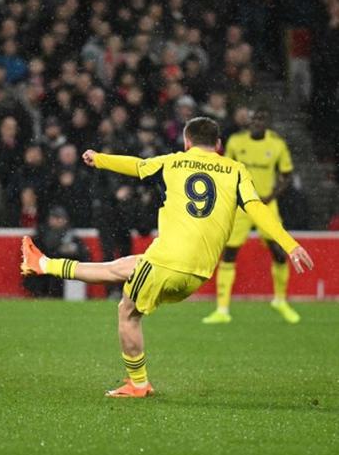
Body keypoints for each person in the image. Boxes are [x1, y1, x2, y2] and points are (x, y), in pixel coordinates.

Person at [20, 117, 314, 398]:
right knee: (125, 266)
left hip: (168, 260)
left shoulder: (172, 161)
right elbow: (258, 208)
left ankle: (138, 384)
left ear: (187, 142)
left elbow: (137, 167)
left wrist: (100, 159)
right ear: (219, 144)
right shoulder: (236, 170)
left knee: (127, 311)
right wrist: (289, 244)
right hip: (198, 271)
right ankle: (44, 264)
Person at [204, 109, 299, 324]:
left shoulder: (277, 145)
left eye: (261, 119)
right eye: (254, 118)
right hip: (241, 206)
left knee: (279, 251)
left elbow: (287, 174)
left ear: (267, 123)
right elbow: (226, 170)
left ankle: (280, 300)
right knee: (229, 253)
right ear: (249, 121)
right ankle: (222, 310)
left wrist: (271, 195)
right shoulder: (237, 142)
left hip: (267, 205)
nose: (257, 122)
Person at [23, 206, 89, 298]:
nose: (57, 221)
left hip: (65, 272)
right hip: (45, 273)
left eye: (59, 218)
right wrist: (59, 252)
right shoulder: (41, 234)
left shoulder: (71, 235)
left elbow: (84, 254)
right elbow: (39, 254)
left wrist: (73, 251)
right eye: (55, 218)